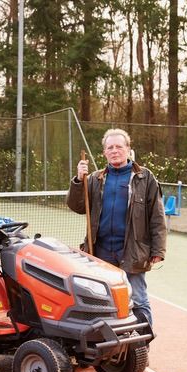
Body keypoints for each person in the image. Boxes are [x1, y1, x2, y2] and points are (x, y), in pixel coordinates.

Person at [66, 128, 166, 325]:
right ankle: (106, 343)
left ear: (128, 149)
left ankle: (141, 344)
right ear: (104, 152)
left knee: (138, 299)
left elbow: (157, 216)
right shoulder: (94, 178)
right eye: (109, 147)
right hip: (100, 250)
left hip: (133, 249)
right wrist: (79, 180)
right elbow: (76, 206)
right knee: (100, 299)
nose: (114, 151)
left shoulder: (145, 178)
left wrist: (158, 249)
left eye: (119, 146)